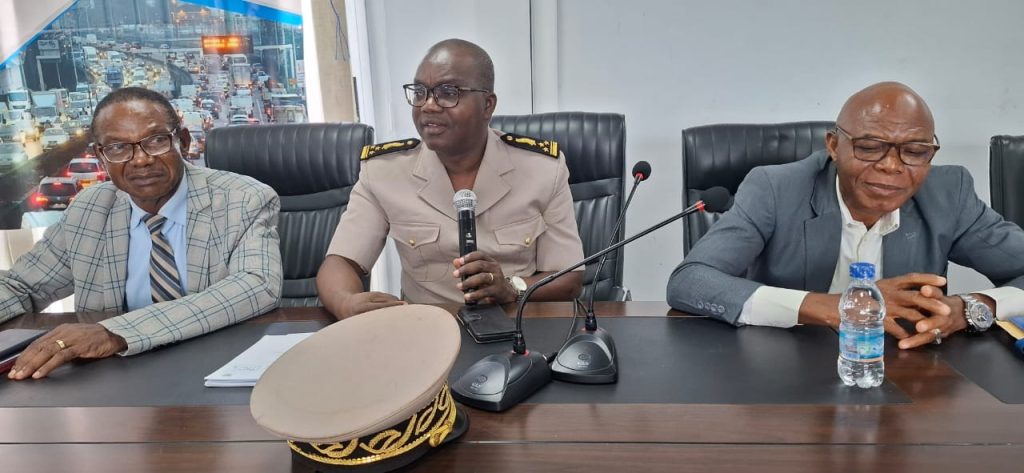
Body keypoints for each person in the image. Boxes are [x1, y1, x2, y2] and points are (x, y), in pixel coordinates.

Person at [668, 82, 1024, 349]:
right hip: (781, 367)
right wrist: (834, 307)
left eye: (915, 151)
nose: (891, 166)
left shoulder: (949, 194)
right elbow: (690, 281)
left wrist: (972, 308)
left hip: (904, 375)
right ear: (834, 146)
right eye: (870, 147)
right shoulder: (776, 189)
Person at [1, 87, 282, 380]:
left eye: (156, 141)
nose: (140, 160)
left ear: (183, 142)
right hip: (117, 380)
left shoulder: (242, 199)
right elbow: (22, 287)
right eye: (118, 148)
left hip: (220, 366)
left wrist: (116, 333)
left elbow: (257, 285)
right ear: (101, 157)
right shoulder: (89, 209)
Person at [317, 39, 584, 319]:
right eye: (420, 92)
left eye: (448, 93)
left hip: (513, 324)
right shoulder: (384, 172)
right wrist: (346, 303)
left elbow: (569, 278)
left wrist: (512, 288)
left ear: (487, 105)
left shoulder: (542, 170)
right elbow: (340, 262)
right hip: (426, 328)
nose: (429, 105)